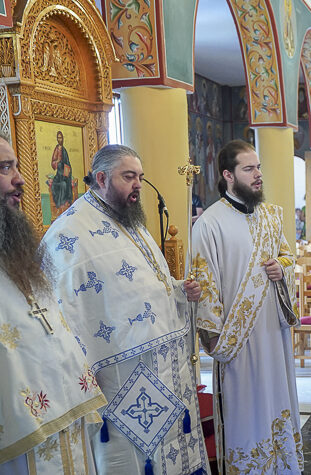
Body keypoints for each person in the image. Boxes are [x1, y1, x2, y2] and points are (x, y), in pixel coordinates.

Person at [41, 145, 209, 474]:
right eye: (128, 176)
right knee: (129, 458)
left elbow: (146, 285)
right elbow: (65, 306)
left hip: (160, 368)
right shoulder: (67, 235)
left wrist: (178, 291)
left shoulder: (131, 221)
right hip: (118, 379)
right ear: (101, 178)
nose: (137, 185)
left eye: (140, 178)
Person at [192, 139, 303, 474]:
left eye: (259, 168)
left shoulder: (270, 216)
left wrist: (281, 267)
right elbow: (204, 280)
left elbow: (287, 254)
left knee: (277, 398)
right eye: (249, 169)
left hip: (272, 332)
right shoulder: (209, 224)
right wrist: (212, 335)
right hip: (237, 338)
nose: (258, 175)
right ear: (228, 175)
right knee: (246, 409)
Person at [0, 132, 107, 473]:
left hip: (62, 419)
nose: (19, 179)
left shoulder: (17, 254)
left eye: (15, 165)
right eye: (4, 168)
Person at [50, 130, 73, 213]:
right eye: (58, 138)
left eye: (61, 138)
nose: (60, 139)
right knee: (62, 185)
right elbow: (53, 163)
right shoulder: (56, 149)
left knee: (66, 184)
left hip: (65, 175)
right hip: (58, 176)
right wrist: (58, 161)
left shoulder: (64, 150)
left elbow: (68, 163)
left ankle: (66, 205)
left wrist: (67, 171)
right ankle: (61, 205)